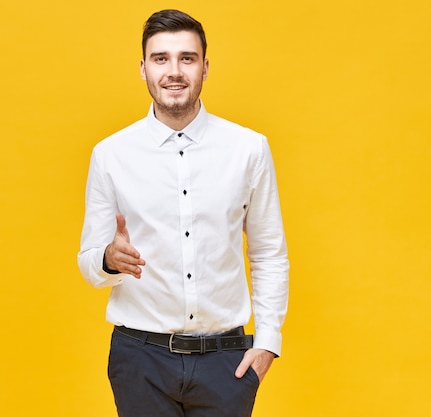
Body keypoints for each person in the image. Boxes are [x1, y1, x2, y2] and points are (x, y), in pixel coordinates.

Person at [78, 9, 289, 417]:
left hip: (225, 362)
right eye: (161, 59)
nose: (174, 71)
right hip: (140, 359)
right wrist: (108, 259)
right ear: (143, 68)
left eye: (186, 58)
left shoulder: (248, 149)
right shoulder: (110, 155)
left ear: (205, 67)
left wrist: (267, 342)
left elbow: (269, 253)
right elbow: (88, 263)